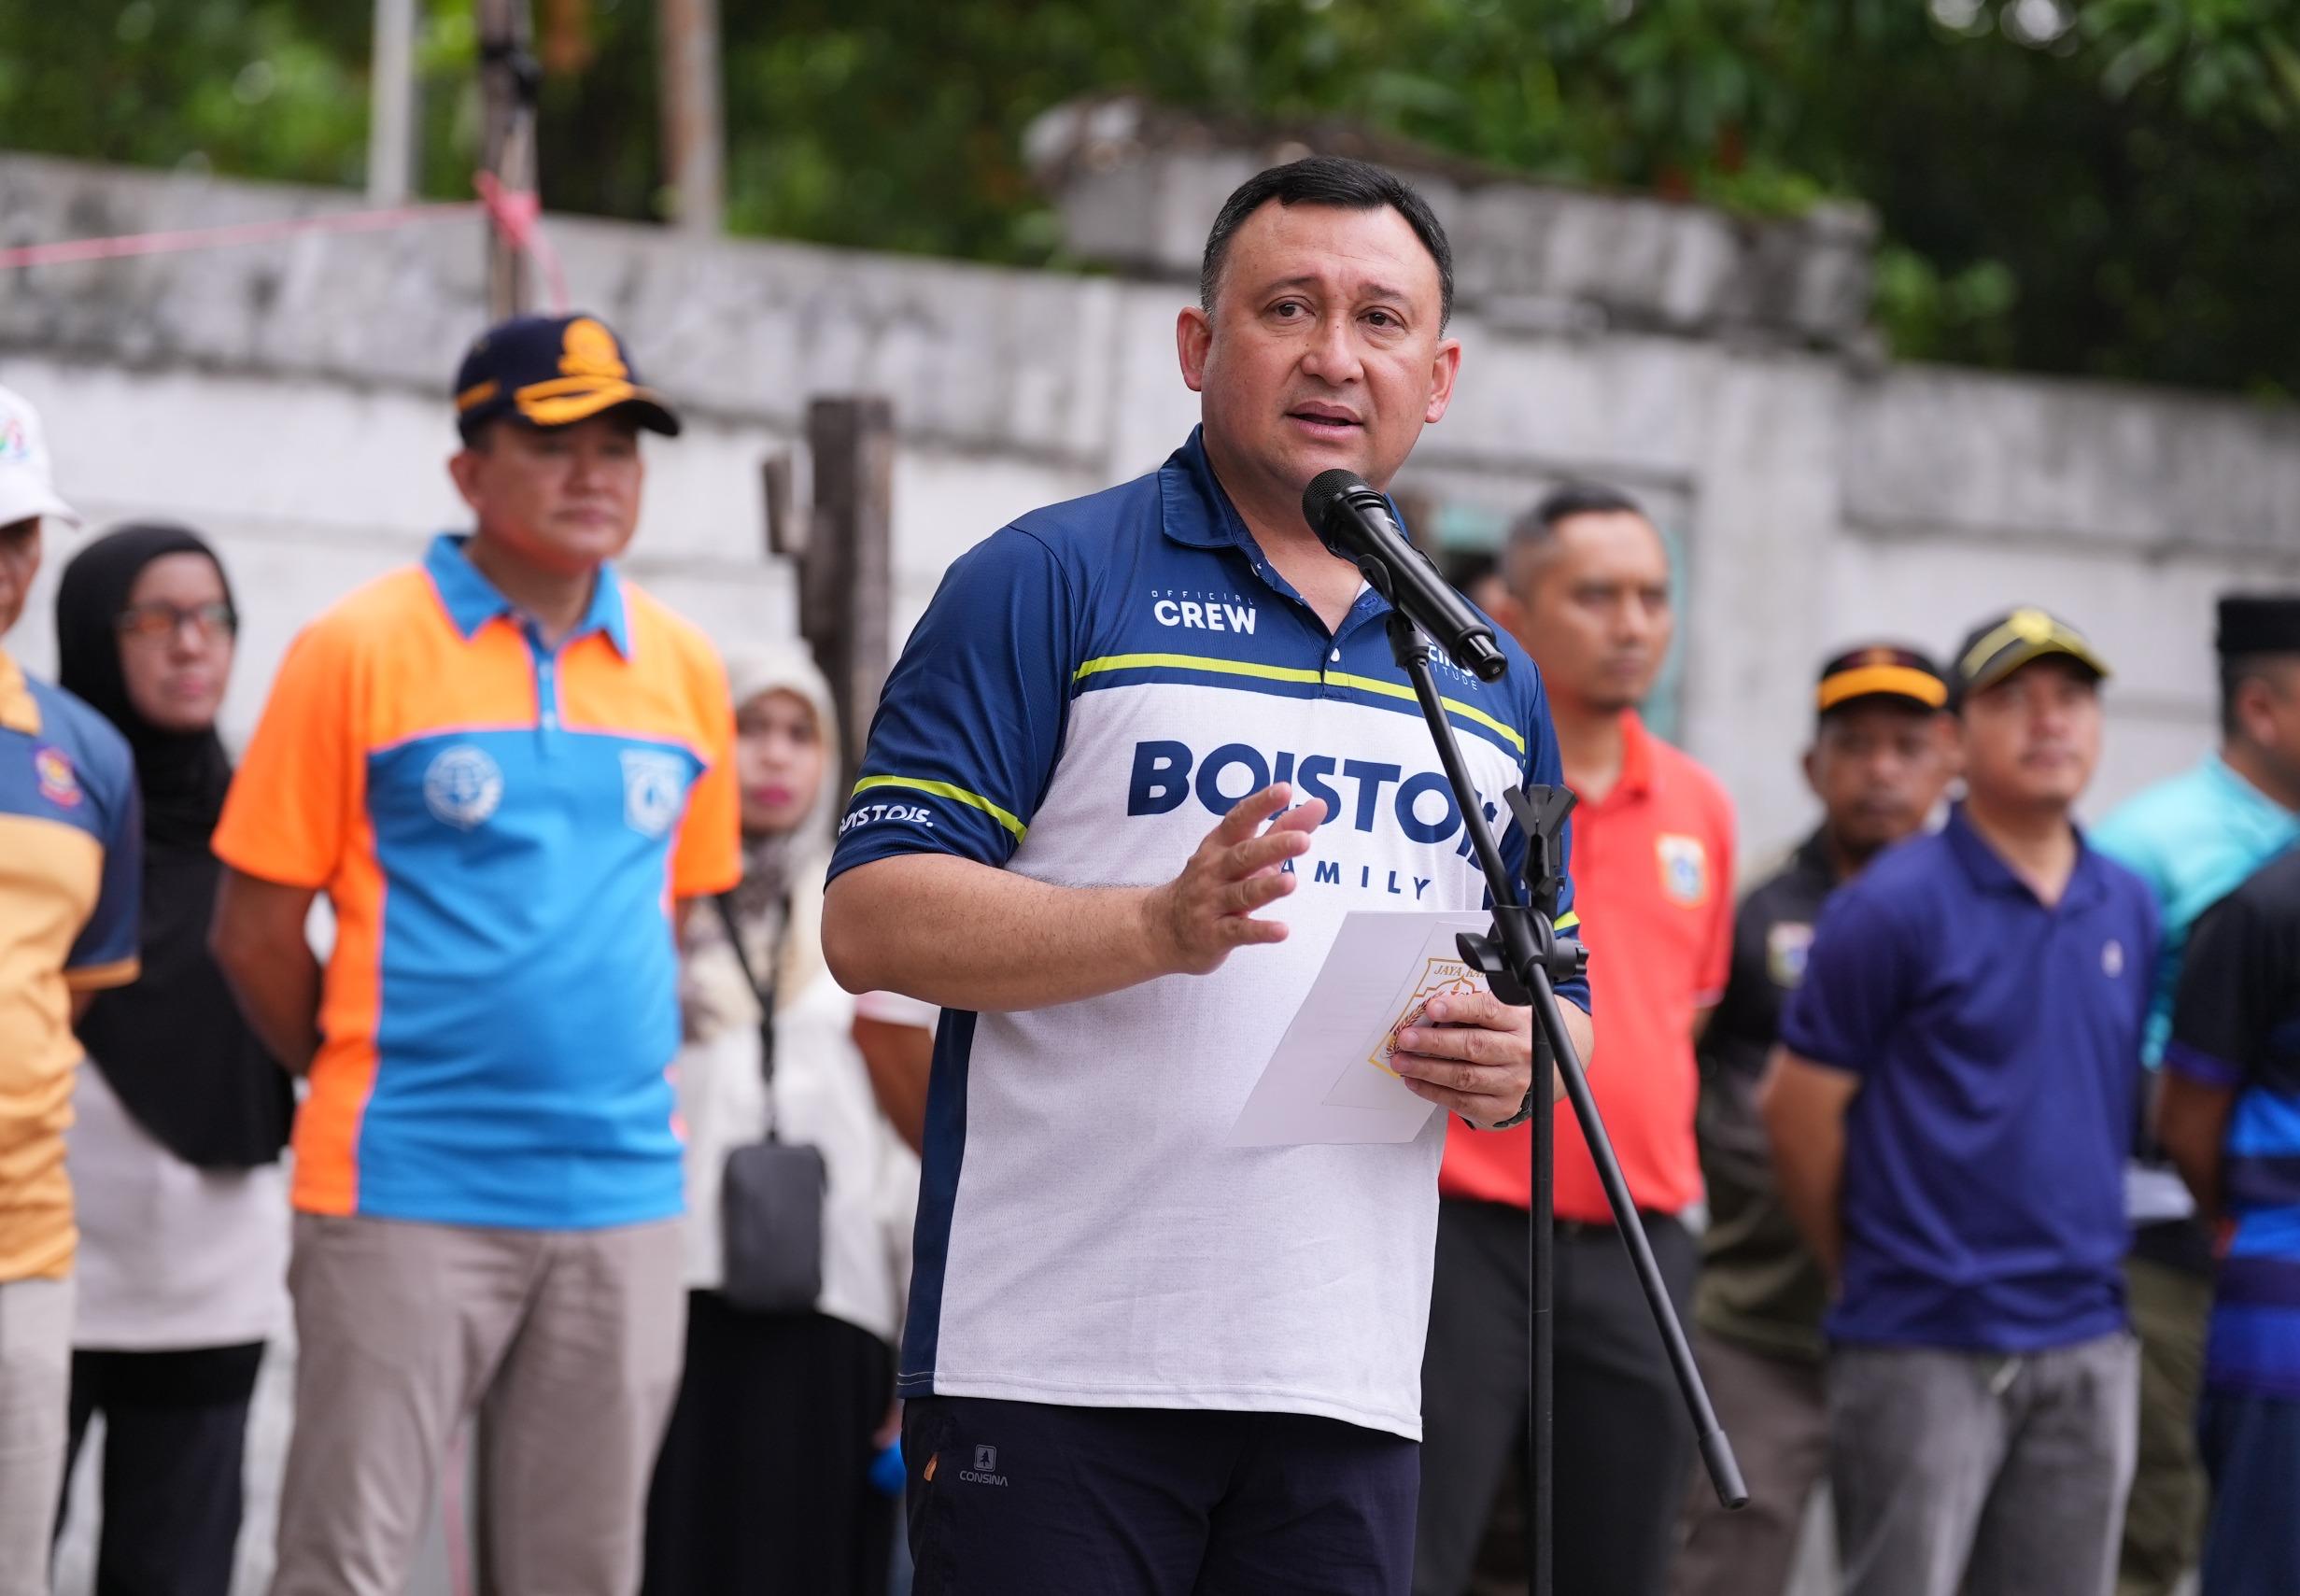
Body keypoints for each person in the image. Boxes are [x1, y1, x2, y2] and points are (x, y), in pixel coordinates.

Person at [820, 155, 1590, 1596]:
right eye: (1288, 307)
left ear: (1439, 377)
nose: (1335, 355)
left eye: (1380, 319)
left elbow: (1564, 1001)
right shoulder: (1047, 578)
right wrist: (1155, 926)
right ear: (1197, 344)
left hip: (1346, 1383)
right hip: (1051, 1366)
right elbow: (870, 918)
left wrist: (1517, 1061)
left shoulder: (1486, 671)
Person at [208, 314, 741, 1596]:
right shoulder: (354, 648)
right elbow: (254, 929)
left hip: (622, 1195)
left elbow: (665, 922)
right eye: (555, 443)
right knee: (345, 1561)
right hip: (404, 1180)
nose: (594, 474)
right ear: (467, 469)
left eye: (619, 446)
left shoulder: (683, 668)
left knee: (580, 1570)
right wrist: (366, 1067)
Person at [1760, 608, 2157, 1596]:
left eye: (2071, 698)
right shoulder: (1889, 904)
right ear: (1954, 741)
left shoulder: (2125, 898)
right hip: (1921, 1335)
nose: (2049, 721)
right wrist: (1864, 1267)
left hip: (2086, 1332)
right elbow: (1796, 1111)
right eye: (2012, 699)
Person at [1416, 484, 1735, 1596]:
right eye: (1595, 595)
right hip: (1462, 1226)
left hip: (1638, 1237)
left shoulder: (1699, 804)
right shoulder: (1455, 777)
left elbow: (1681, 1019)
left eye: (1652, 595)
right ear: (1509, 612)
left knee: (1621, 1561)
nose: (1632, 623)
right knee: (1410, 1550)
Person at [2090, 592, 2300, 1596]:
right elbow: (2105, 1045)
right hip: (2164, 1236)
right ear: (2259, 708)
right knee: (2154, 1526)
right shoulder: (2148, 842)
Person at [643, 644, 933, 1596]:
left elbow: (905, 1141)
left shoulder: (864, 911)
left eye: (798, 733)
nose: (773, 755)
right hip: (674, 1289)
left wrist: (917, 1342)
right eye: (749, 728)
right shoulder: (654, 911)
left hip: (836, 1299)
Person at [1669, 644, 1951, 1596]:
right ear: (1811, 765)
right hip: (1763, 1323)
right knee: (1726, 1562)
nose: (1881, 769)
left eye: (1907, 746)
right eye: (1855, 744)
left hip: (1935, 1325)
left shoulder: (1983, 911)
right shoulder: (1754, 911)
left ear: (1949, 759)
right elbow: (1685, 1075)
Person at [52, 524, 291, 1596]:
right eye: (156, 618)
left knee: (180, 1571)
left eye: (213, 617)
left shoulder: (267, 824)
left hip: (211, 1278)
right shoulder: (45, 819)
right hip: (41, 1262)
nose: (192, 644)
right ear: (93, 636)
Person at [0, 383, 140, 1596]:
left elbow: (67, 993)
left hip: (22, 1243)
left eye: (16, 533)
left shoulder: (84, 754)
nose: (2, 565)